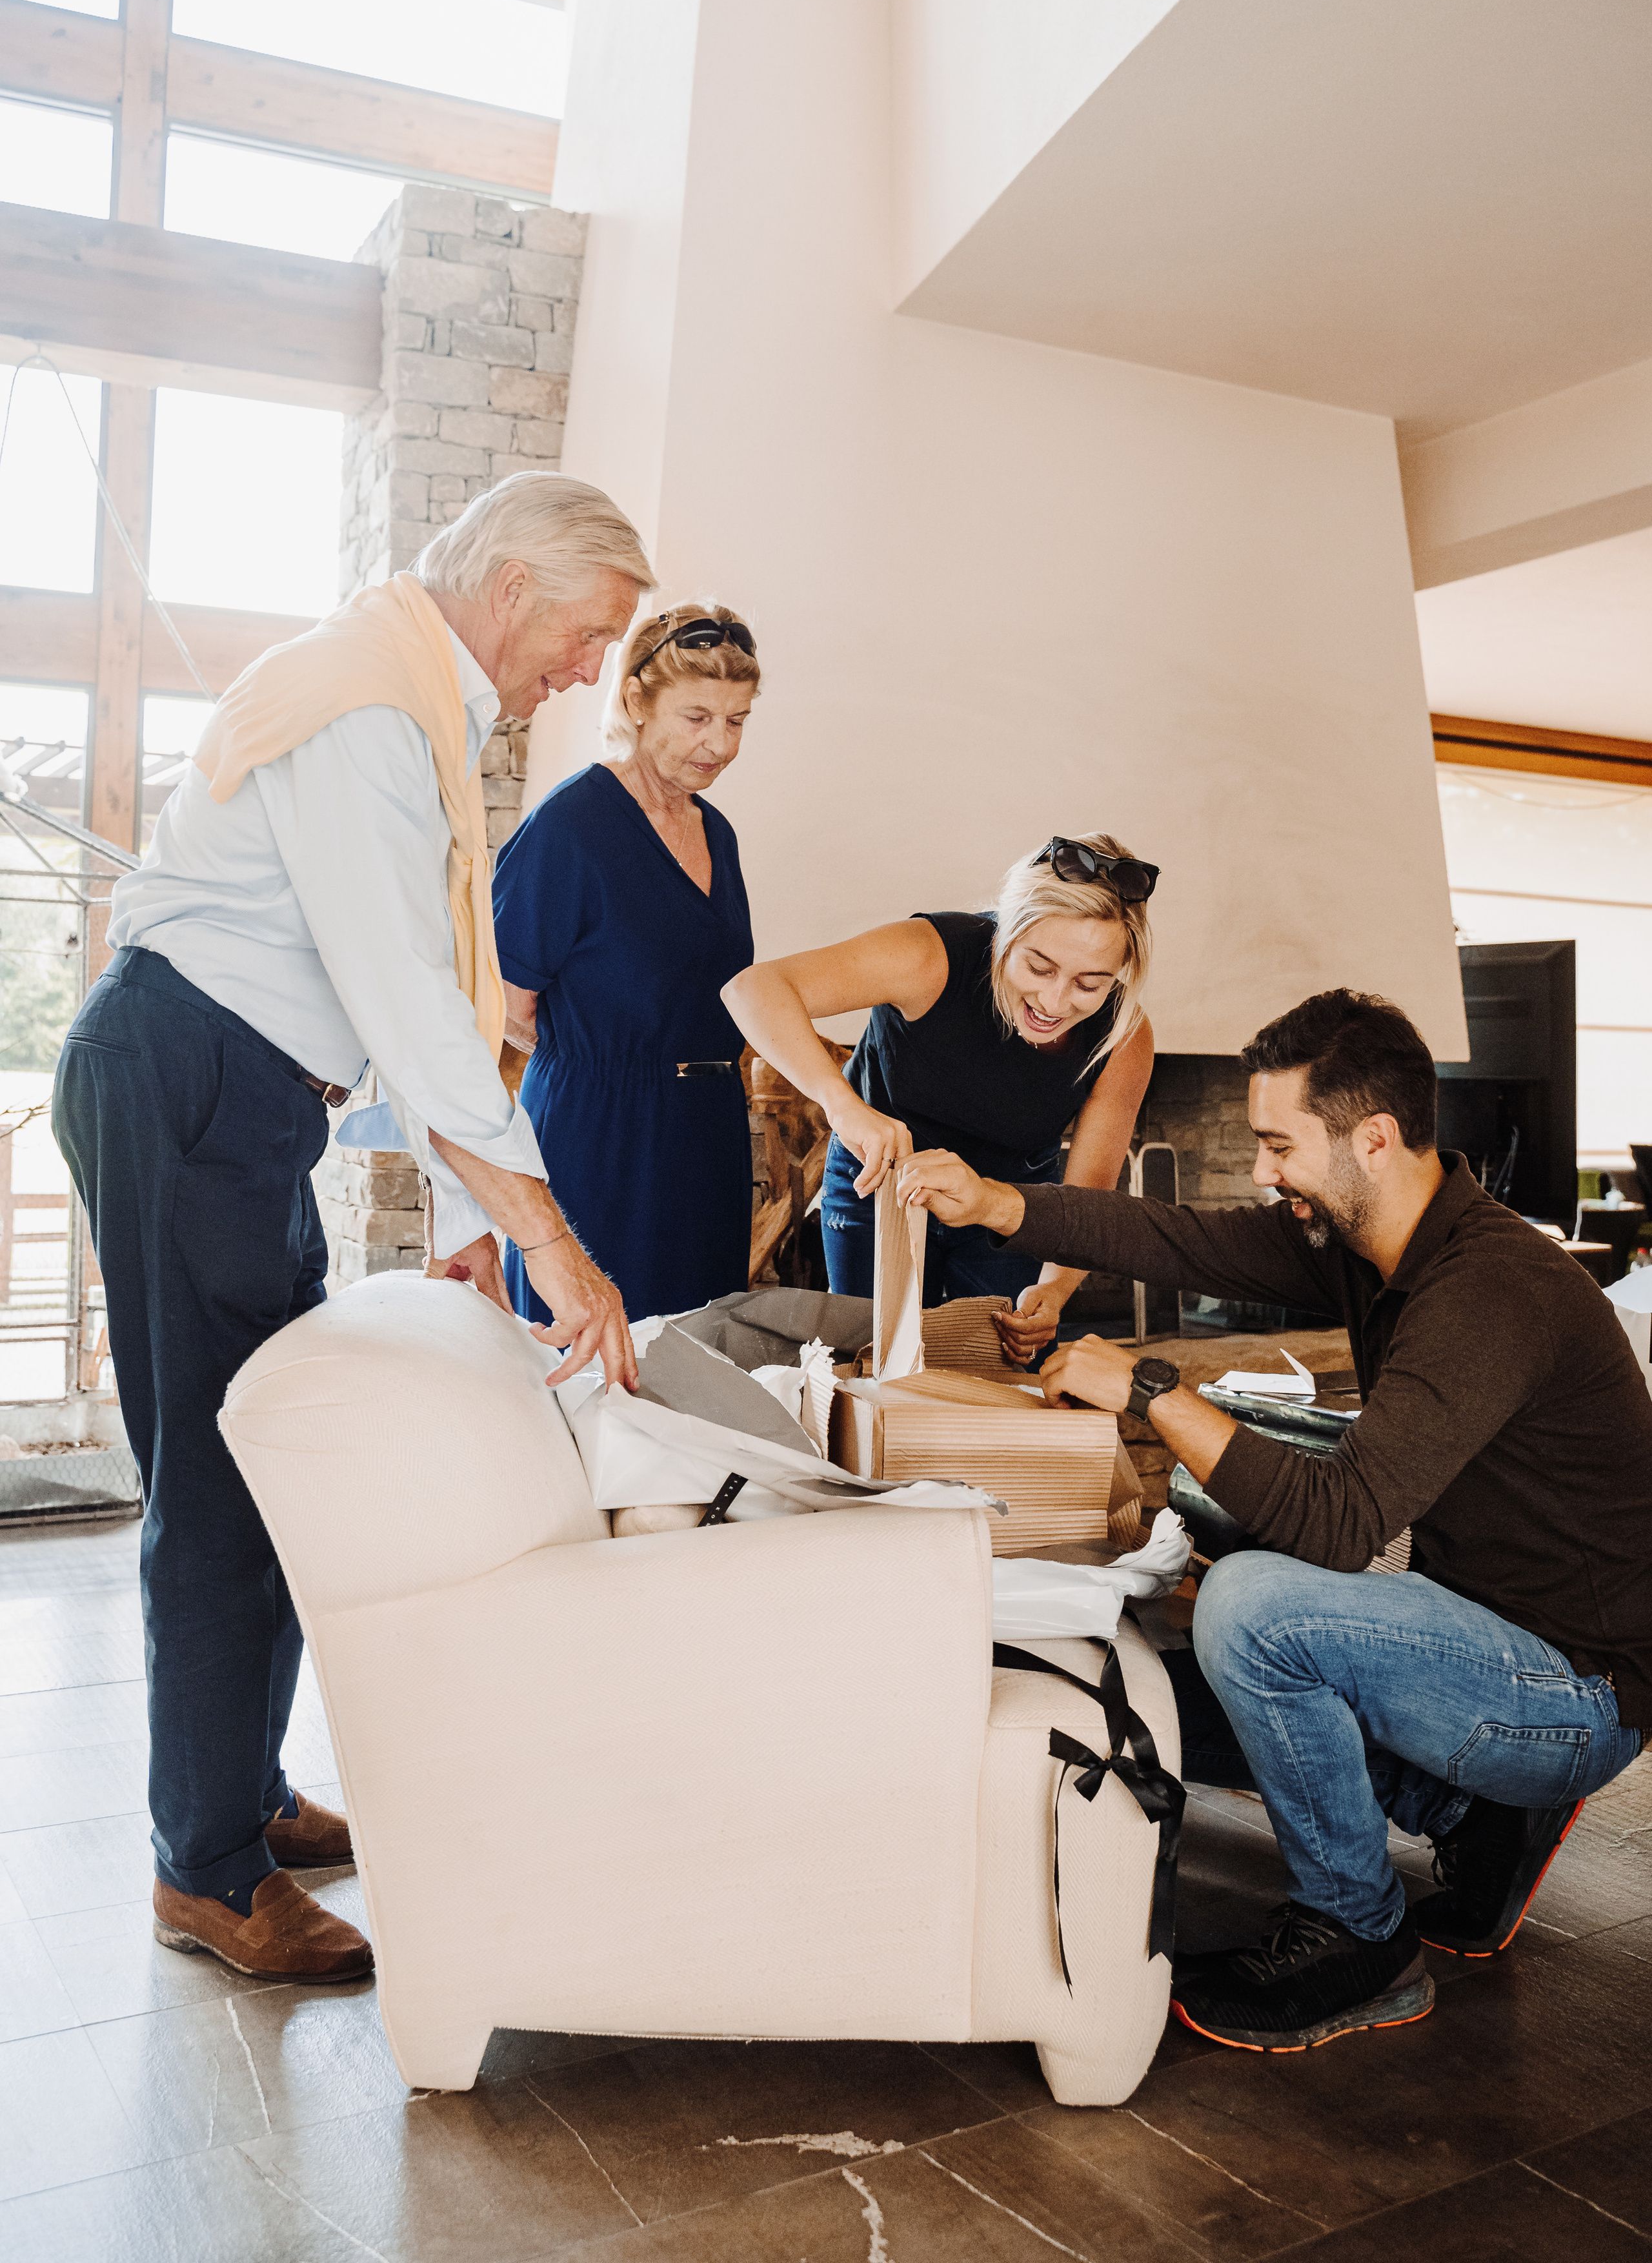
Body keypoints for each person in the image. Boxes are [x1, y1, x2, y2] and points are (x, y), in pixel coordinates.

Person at [53, 472, 655, 1988]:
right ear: (514, 587)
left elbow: (408, 1000)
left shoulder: (402, 703)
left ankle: (238, 1794)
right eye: (585, 634)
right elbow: (414, 1006)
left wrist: (466, 1223)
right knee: (217, 1478)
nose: (584, 670)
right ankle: (203, 1867)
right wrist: (549, 1245)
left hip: (243, 1096)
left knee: (272, 1460)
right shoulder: (366, 712)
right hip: (188, 1075)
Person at [897, 988, 1651, 2054]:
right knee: (1163, 1677)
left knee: (1252, 1606)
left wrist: (1153, 1387)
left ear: (1374, 1140)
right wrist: (996, 1205)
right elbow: (1179, 1239)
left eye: (1277, 1145)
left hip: (1573, 1691)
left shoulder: (1489, 1291)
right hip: (1477, 1635)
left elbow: (1339, 1527)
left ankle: (1360, 1937)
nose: (1262, 1173)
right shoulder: (1368, 1240)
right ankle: (1473, 1818)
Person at [722, 834, 1156, 1360]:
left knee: (1003, 1366)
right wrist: (846, 1108)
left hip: (1009, 1202)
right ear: (1004, 935)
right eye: (1039, 968)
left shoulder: (1124, 1037)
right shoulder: (931, 954)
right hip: (881, 1179)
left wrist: (1054, 1291)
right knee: (871, 1359)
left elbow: (1089, 1195)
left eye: (1090, 984)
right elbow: (753, 990)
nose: (1054, 1001)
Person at [491, 601, 760, 1321]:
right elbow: (505, 1013)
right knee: (590, 1363)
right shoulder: (571, 826)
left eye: (735, 721)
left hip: (707, 1136)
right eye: (696, 717)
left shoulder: (718, 833)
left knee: (697, 1363)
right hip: (599, 1134)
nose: (718, 744)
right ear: (637, 700)